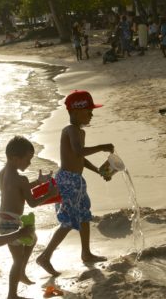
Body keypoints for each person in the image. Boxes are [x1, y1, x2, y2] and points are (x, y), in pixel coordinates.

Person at [36, 90, 114, 276]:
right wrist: (102, 147)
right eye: (89, 111)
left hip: (77, 181)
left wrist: (98, 171)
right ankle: (45, 256)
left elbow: (80, 159)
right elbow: (79, 151)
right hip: (67, 181)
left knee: (85, 216)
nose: (91, 115)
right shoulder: (70, 130)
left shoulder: (80, 131)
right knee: (68, 221)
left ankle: (86, 253)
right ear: (76, 111)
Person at [0, 136, 59, 299]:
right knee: (16, 259)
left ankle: (21, 271)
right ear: (16, 159)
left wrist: (38, 182)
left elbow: (18, 190)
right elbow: (31, 202)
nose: (29, 163)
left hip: (2, 218)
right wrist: (49, 193)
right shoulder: (21, 179)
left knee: (32, 238)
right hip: (11, 221)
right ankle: (12, 294)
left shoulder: (2, 173)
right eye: (28, 159)